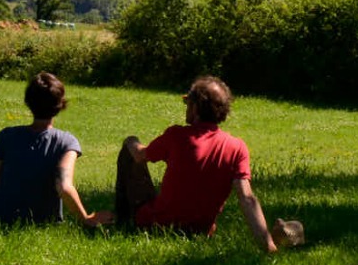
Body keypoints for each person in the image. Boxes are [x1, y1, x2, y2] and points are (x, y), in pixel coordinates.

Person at [115, 75, 303, 251]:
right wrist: (268, 245)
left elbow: (140, 156)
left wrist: (131, 140)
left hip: (155, 225)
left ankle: (122, 222)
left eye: (188, 102)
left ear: (196, 108)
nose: (186, 106)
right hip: (200, 232)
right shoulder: (237, 147)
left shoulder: (177, 136)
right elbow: (247, 198)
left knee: (129, 153)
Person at [0, 72, 108, 227]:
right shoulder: (66, 142)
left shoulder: (7, 135)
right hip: (44, 221)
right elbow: (64, 187)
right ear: (60, 105)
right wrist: (86, 218)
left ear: (28, 102)